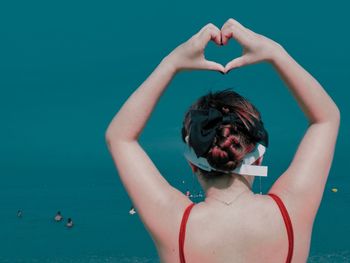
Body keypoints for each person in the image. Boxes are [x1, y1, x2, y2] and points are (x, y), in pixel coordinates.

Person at [105, 18, 340, 263]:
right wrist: (275, 53)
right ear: (258, 157)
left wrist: (171, 63)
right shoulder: (290, 212)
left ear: (193, 164)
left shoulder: (175, 225)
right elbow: (326, 118)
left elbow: (120, 137)